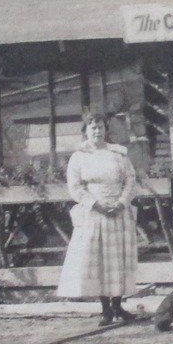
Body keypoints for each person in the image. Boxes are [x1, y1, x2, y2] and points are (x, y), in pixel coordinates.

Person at [58, 112, 139, 325]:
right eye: (93, 127)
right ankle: (105, 309)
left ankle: (118, 305)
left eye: (101, 127)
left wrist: (121, 203)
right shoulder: (79, 156)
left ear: (106, 130)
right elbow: (75, 187)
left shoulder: (118, 154)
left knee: (117, 260)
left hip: (118, 212)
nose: (97, 131)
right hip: (94, 213)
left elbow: (131, 181)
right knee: (99, 261)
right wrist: (96, 204)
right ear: (85, 131)